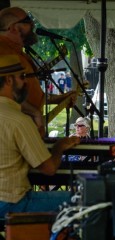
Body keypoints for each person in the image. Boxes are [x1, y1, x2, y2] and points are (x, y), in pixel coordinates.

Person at [0, 55, 80, 218]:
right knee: (86, 200)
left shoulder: (19, 119)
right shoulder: (19, 121)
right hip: (11, 203)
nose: (26, 82)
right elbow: (48, 169)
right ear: (9, 80)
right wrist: (59, 146)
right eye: (22, 77)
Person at [0, 7, 77, 136]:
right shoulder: (3, 52)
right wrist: (34, 112)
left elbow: (25, 93)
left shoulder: (20, 52)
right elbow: (4, 95)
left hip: (28, 128)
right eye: (27, 20)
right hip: (13, 131)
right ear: (13, 27)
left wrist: (59, 99)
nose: (33, 24)